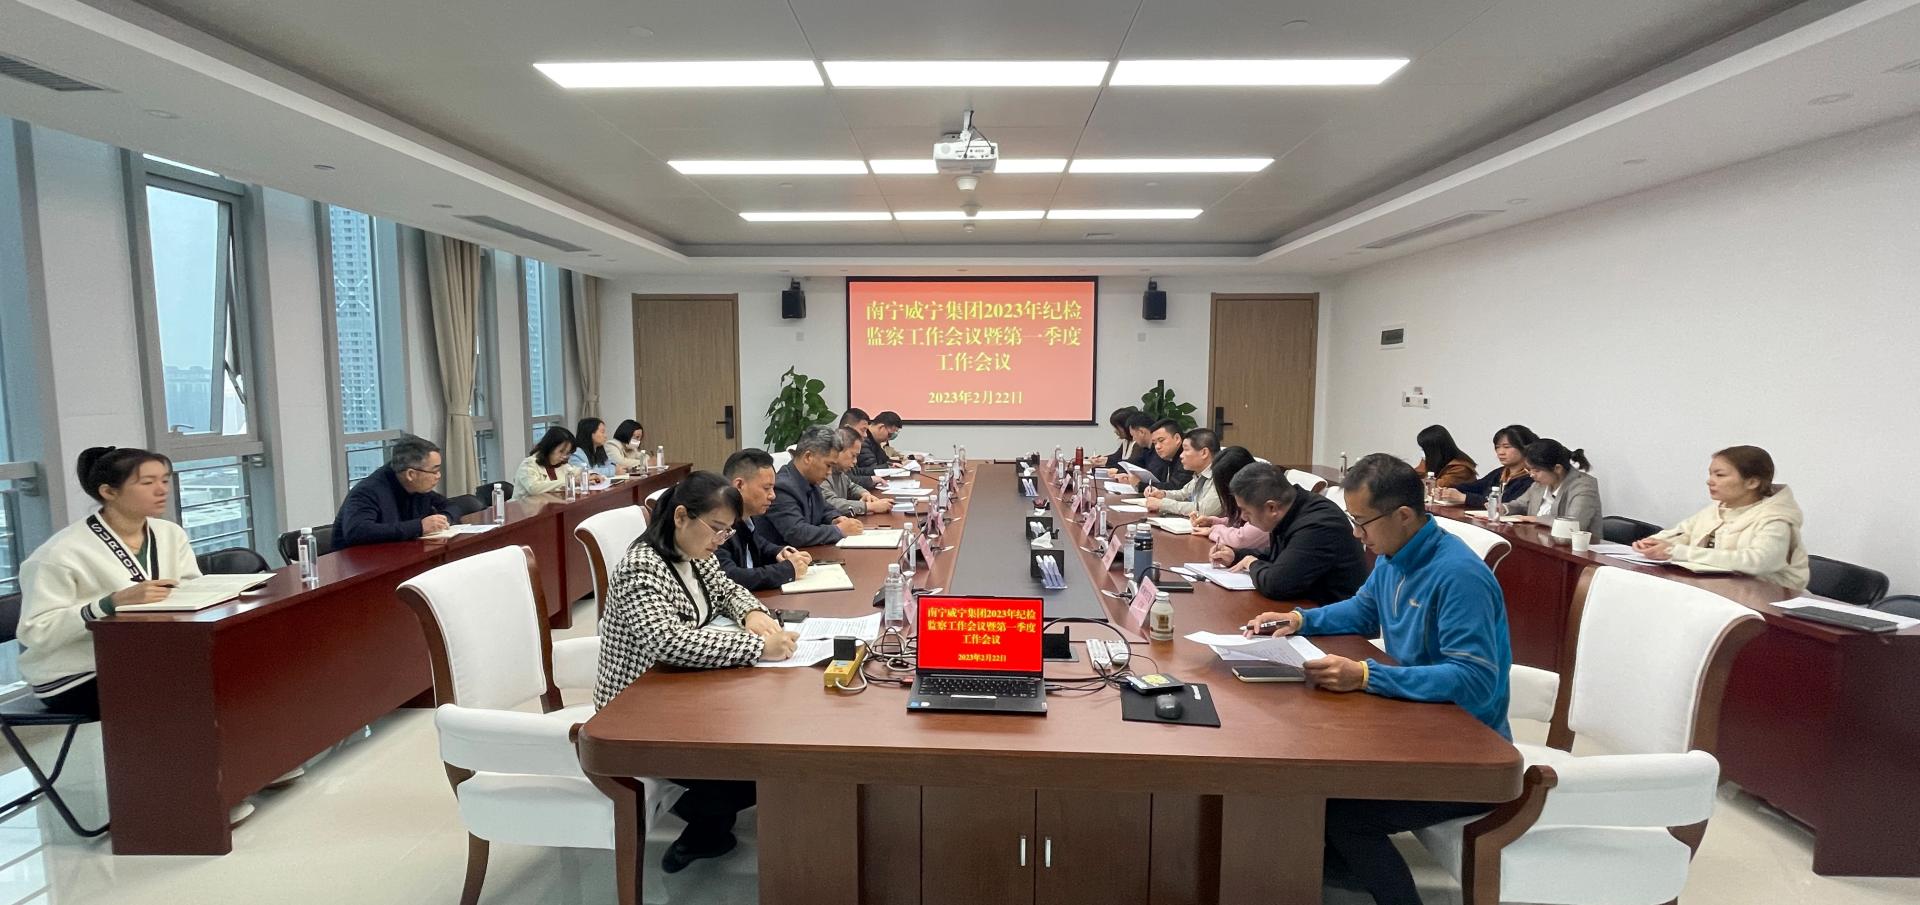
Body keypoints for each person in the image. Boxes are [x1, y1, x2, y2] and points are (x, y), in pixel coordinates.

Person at [1244, 453, 1512, 905]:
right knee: (1309, 782)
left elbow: (1474, 679)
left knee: (1341, 812)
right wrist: (1300, 620)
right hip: (1416, 726)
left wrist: (1368, 675)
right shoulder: (1394, 555)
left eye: (1362, 522)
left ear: (1403, 515)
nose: (1357, 534)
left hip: (1469, 752)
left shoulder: (1459, 575)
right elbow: (1365, 609)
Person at [592, 471, 800, 873]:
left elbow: (727, 589)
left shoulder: (694, 553)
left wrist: (751, 612)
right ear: (681, 516)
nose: (721, 540)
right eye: (717, 529)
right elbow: (668, 642)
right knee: (755, 770)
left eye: (727, 532)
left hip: (682, 691)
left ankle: (708, 823)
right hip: (636, 709)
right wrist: (758, 647)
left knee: (764, 739)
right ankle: (702, 823)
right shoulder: (641, 569)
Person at [17, 446, 201, 717]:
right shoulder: (59, 554)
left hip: (146, 659)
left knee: (226, 671)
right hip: (76, 673)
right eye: (147, 483)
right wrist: (107, 605)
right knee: (189, 689)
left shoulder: (169, 534)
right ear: (109, 492)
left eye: (165, 480)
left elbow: (191, 589)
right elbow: (36, 631)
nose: (162, 490)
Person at [1633, 445, 1809, 591]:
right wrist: (1654, 543)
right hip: (1717, 589)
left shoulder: (1776, 518)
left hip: (1769, 599)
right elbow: (1683, 533)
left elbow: (1759, 561)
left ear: (1752, 482)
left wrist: (1676, 551)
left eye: (1720, 475)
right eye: (1710, 474)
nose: (1710, 481)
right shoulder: (1717, 509)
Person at [1207, 462, 1369, 604]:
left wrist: (1252, 563)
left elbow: (1277, 585)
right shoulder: (1293, 508)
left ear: (1271, 508)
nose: (1243, 517)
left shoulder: (1318, 524)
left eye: (1246, 511)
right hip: (1307, 607)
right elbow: (1280, 556)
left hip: (1337, 621)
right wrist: (1236, 556)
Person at [332, 435, 455, 548]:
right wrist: (419, 526)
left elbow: (453, 505)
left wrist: (444, 519)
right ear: (411, 474)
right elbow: (357, 531)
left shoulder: (417, 487)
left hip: (400, 553)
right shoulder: (368, 491)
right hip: (357, 560)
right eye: (434, 471)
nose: (438, 476)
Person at [714, 449, 812, 591]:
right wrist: (787, 570)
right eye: (767, 488)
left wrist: (780, 551)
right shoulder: (717, 526)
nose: (773, 496)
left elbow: (759, 544)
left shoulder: (746, 518)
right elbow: (730, 577)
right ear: (739, 485)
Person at [759, 427, 865, 547]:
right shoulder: (782, 487)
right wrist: (838, 530)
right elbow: (797, 533)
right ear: (808, 457)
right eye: (828, 465)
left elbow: (825, 509)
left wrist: (835, 518)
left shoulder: (810, 481)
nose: (830, 472)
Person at [1500, 439, 1602, 537]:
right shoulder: (1539, 485)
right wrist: (1503, 508)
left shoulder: (1584, 486)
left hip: (1575, 546)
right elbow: (1520, 504)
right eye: (1529, 470)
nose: (1531, 475)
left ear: (1557, 468)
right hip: (1537, 541)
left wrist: (1537, 519)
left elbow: (1574, 524)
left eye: (1536, 470)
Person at [1434, 424, 1538, 510]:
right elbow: (1475, 486)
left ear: (1524, 447)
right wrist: (1447, 491)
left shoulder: (1532, 477)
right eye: (1497, 447)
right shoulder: (1500, 472)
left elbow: (1509, 504)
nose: (1500, 452)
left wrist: (1465, 498)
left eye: (1507, 447)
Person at [1189, 447, 1266, 548]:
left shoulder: (1263, 496)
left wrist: (1213, 530)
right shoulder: (1254, 489)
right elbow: (1240, 522)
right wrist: (1213, 522)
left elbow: (1240, 539)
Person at [1145, 427, 1222, 517]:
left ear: (1204, 453)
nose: (1181, 455)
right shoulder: (1201, 473)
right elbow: (1183, 494)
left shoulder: (1221, 474)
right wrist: (1162, 494)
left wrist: (1162, 504)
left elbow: (1205, 509)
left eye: (1186, 450)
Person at [820, 427, 891, 517]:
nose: (855, 461)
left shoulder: (840, 472)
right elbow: (831, 502)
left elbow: (851, 486)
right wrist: (869, 507)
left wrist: (864, 494)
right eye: (853, 455)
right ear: (838, 450)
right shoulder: (822, 472)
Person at [515, 427, 602, 497]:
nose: (564, 456)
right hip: (523, 510)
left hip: (551, 507)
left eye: (567, 453)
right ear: (549, 447)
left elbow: (578, 471)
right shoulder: (528, 464)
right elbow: (534, 488)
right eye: (561, 451)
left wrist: (593, 475)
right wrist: (570, 481)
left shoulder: (562, 465)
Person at [1122, 419, 1191, 491]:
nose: (1157, 447)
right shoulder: (1168, 456)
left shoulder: (1187, 456)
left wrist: (1140, 485)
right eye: (1155, 443)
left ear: (1177, 438)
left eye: (1161, 440)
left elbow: (1176, 488)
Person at [1413, 424, 1477, 491]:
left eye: (1424, 449)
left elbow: (1436, 487)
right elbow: (1417, 473)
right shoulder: (1431, 460)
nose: (1422, 452)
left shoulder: (1461, 469)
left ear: (1434, 451)